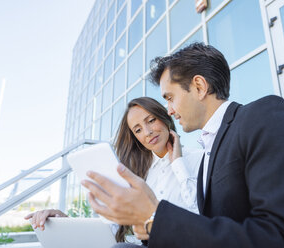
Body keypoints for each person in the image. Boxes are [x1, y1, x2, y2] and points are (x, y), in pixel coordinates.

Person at [82, 42, 284, 248]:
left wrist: (154, 219)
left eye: (170, 98)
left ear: (199, 86)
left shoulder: (264, 115)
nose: (169, 110)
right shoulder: (209, 154)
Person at [25, 97, 202, 243]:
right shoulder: (139, 174)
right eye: (138, 130)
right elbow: (111, 225)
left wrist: (178, 163)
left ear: (164, 118)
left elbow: (201, 216)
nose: (147, 132)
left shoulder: (198, 158)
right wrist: (63, 221)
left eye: (151, 120)